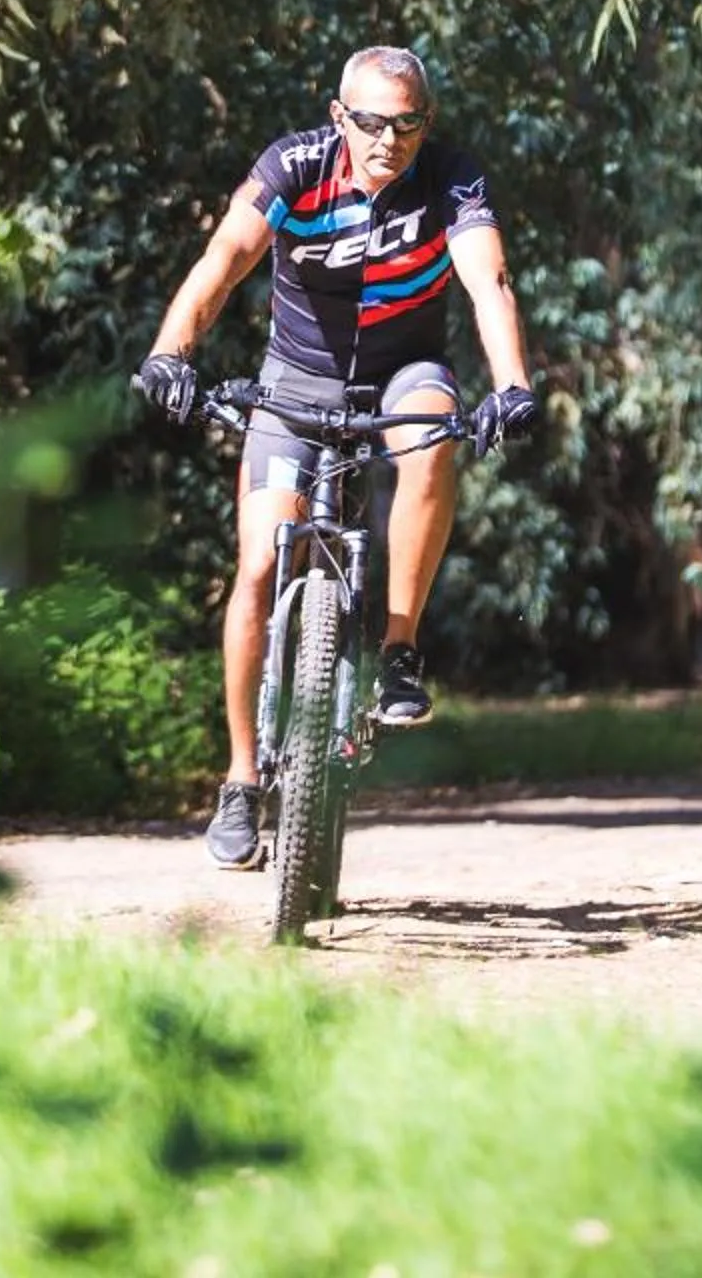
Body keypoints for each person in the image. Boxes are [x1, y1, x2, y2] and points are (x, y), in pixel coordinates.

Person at [133, 47, 538, 868]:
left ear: (427, 123)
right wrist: (171, 352)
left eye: (407, 123)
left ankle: (397, 650)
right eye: (370, 121)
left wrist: (513, 385)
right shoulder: (294, 167)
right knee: (254, 569)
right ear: (337, 116)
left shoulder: (451, 180)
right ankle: (242, 780)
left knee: (432, 435)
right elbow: (225, 258)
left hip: (403, 373)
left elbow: (487, 282)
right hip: (295, 384)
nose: (388, 139)